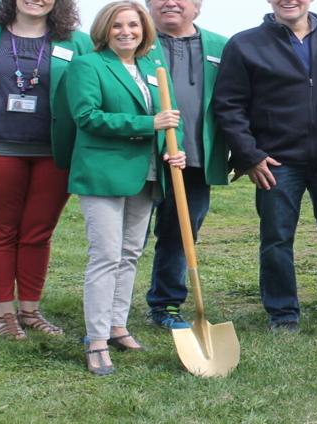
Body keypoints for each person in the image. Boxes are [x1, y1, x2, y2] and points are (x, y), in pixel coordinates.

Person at [55, 0, 185, 376]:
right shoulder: (88, 65)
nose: (126, 31)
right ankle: (96, 339)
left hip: (146, 173)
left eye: (133, 25)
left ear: (144, 30)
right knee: (106, 255)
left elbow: (169, 119)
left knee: (130, 253)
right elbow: (87, 116)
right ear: (104, 30)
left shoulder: (152, 67)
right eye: (117, 25)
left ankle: (117, 326)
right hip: (103, 173)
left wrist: (174, 149)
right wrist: (149, 125)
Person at [213, 0, 317, 333]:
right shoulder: (245, 44)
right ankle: (282, 312)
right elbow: (229, 105)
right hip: (276, 161)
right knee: (276, 238)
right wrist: (249, 154)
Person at [0, 0, 91, 343]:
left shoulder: (77, 42)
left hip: (53, 153)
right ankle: (4, 313)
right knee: (0, 231)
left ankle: (30, 311)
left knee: (38, 232)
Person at [141, 0, 229, 331]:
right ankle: (111, 311)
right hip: (142, 157)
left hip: (193, 157)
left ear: (197, 6)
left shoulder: (222, 47)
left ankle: (166, 304)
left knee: (181, 234)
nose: (171, 3)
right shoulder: (136, 40)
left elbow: (236, 100)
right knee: (128, 238)